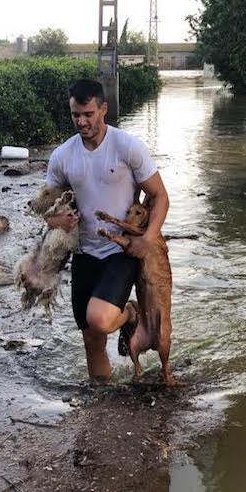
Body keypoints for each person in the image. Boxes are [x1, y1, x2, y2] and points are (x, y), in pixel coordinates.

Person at [46, 78, 169, 382]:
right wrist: (57, 221)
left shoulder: (127, 146)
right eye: (76, 115)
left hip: (122, 249)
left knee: (100, 319)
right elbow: (47, 210)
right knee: (91, 340)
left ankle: (130, 313)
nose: (82, 121)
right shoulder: (63, 156)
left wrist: (149, 238)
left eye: (88, 114)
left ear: (103, 109)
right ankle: (103, 398)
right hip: (85, 251)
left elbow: (159, 196)